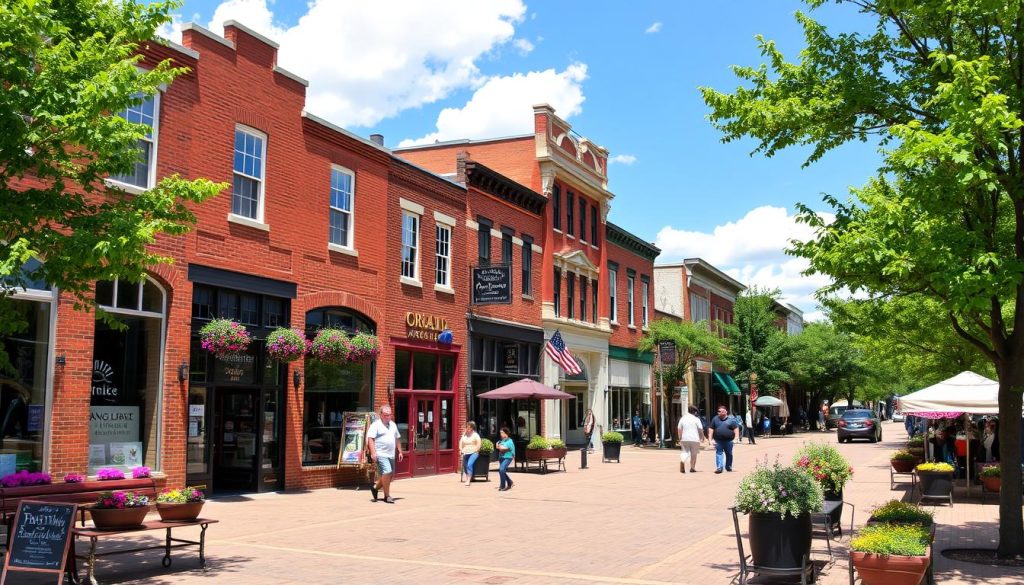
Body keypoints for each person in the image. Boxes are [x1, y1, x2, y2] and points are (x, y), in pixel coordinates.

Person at [366, 405, 404, 504]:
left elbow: (397, 438)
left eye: (390, 414)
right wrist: (373, 453)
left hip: (391, 454)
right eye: (386, 415)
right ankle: (387, 496)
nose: (388, 416)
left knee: (390, 476)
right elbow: (370, 439)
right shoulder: (376, 425)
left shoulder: (393, 425)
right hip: (381, 454)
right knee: (387, 472)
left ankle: (375, 487)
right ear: (381, 415)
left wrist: (400, 451)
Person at [709, 405, 740, 473]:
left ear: (726, 412)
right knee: (719, 453)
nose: (721, 412)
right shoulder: (715, 419)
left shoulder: (731, 420)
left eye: (722, 411)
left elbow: (736, 429)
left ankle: (728, 467)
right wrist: (710, 439)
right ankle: (719, 468)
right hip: (718, 441)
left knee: (729, 454)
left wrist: (736, 438)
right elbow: (711, 429)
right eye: (719, 411)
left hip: (729, 441)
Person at [677, 405, 706, 472]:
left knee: (685, 452)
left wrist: (680, 437)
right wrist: (702, 437)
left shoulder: (683, 418)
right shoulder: (696, 419)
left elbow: (679, 428)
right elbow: (700, 429)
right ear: (695, 412)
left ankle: (682, 460)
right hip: (695, 439)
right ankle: (692, 468)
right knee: (694, 454)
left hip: (684, 438)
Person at [459, 421, 481, 487]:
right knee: (465, 466)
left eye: (469, 427)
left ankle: (468, 480)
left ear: (472, 428)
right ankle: (470, 477)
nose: (467, 429)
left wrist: (477, 450)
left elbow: (479, 443)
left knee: (469, 465)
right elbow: (461, 442)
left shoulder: (475, 435)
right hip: (465, 452)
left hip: (474, 452)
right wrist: (460, 450)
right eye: (466, 427)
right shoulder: (464, 434)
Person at [496, 427, 515, 491]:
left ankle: (503, 486)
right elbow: (498, 446)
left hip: (508, 457)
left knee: (501, 470)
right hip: (501, 457)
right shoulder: (501, 440)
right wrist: (499, 447)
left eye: (502, 432)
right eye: (500, 433)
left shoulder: (510, 441)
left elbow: (503, 448)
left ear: (506, 433)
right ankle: (510, 482)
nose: (501, 434)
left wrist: (499, 447)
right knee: (502, 471)